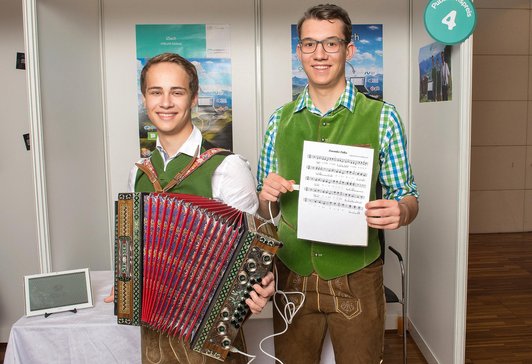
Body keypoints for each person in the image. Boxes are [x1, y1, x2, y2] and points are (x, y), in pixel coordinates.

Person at [256, 4, 419, 364]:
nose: (320, 54)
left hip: (357, 276)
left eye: (331, 43)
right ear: (299, 52)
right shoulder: (277, 121)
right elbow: (263, 208)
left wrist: (401, 211)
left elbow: (407, 197)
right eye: (310, 44)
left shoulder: (383, 117)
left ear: (349, 49)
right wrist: (266, 195)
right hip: (291, 275)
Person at [105, 52, 275, 364]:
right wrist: (126, 283)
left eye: (177, 92)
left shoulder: (228, 166)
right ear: (144, 99)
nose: (166, 102)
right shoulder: (139, 172)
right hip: (154, 334)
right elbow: (135, 247)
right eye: (156, 92)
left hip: (210, 337)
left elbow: (256, 252)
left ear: (193, 99)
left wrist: (262, 282)